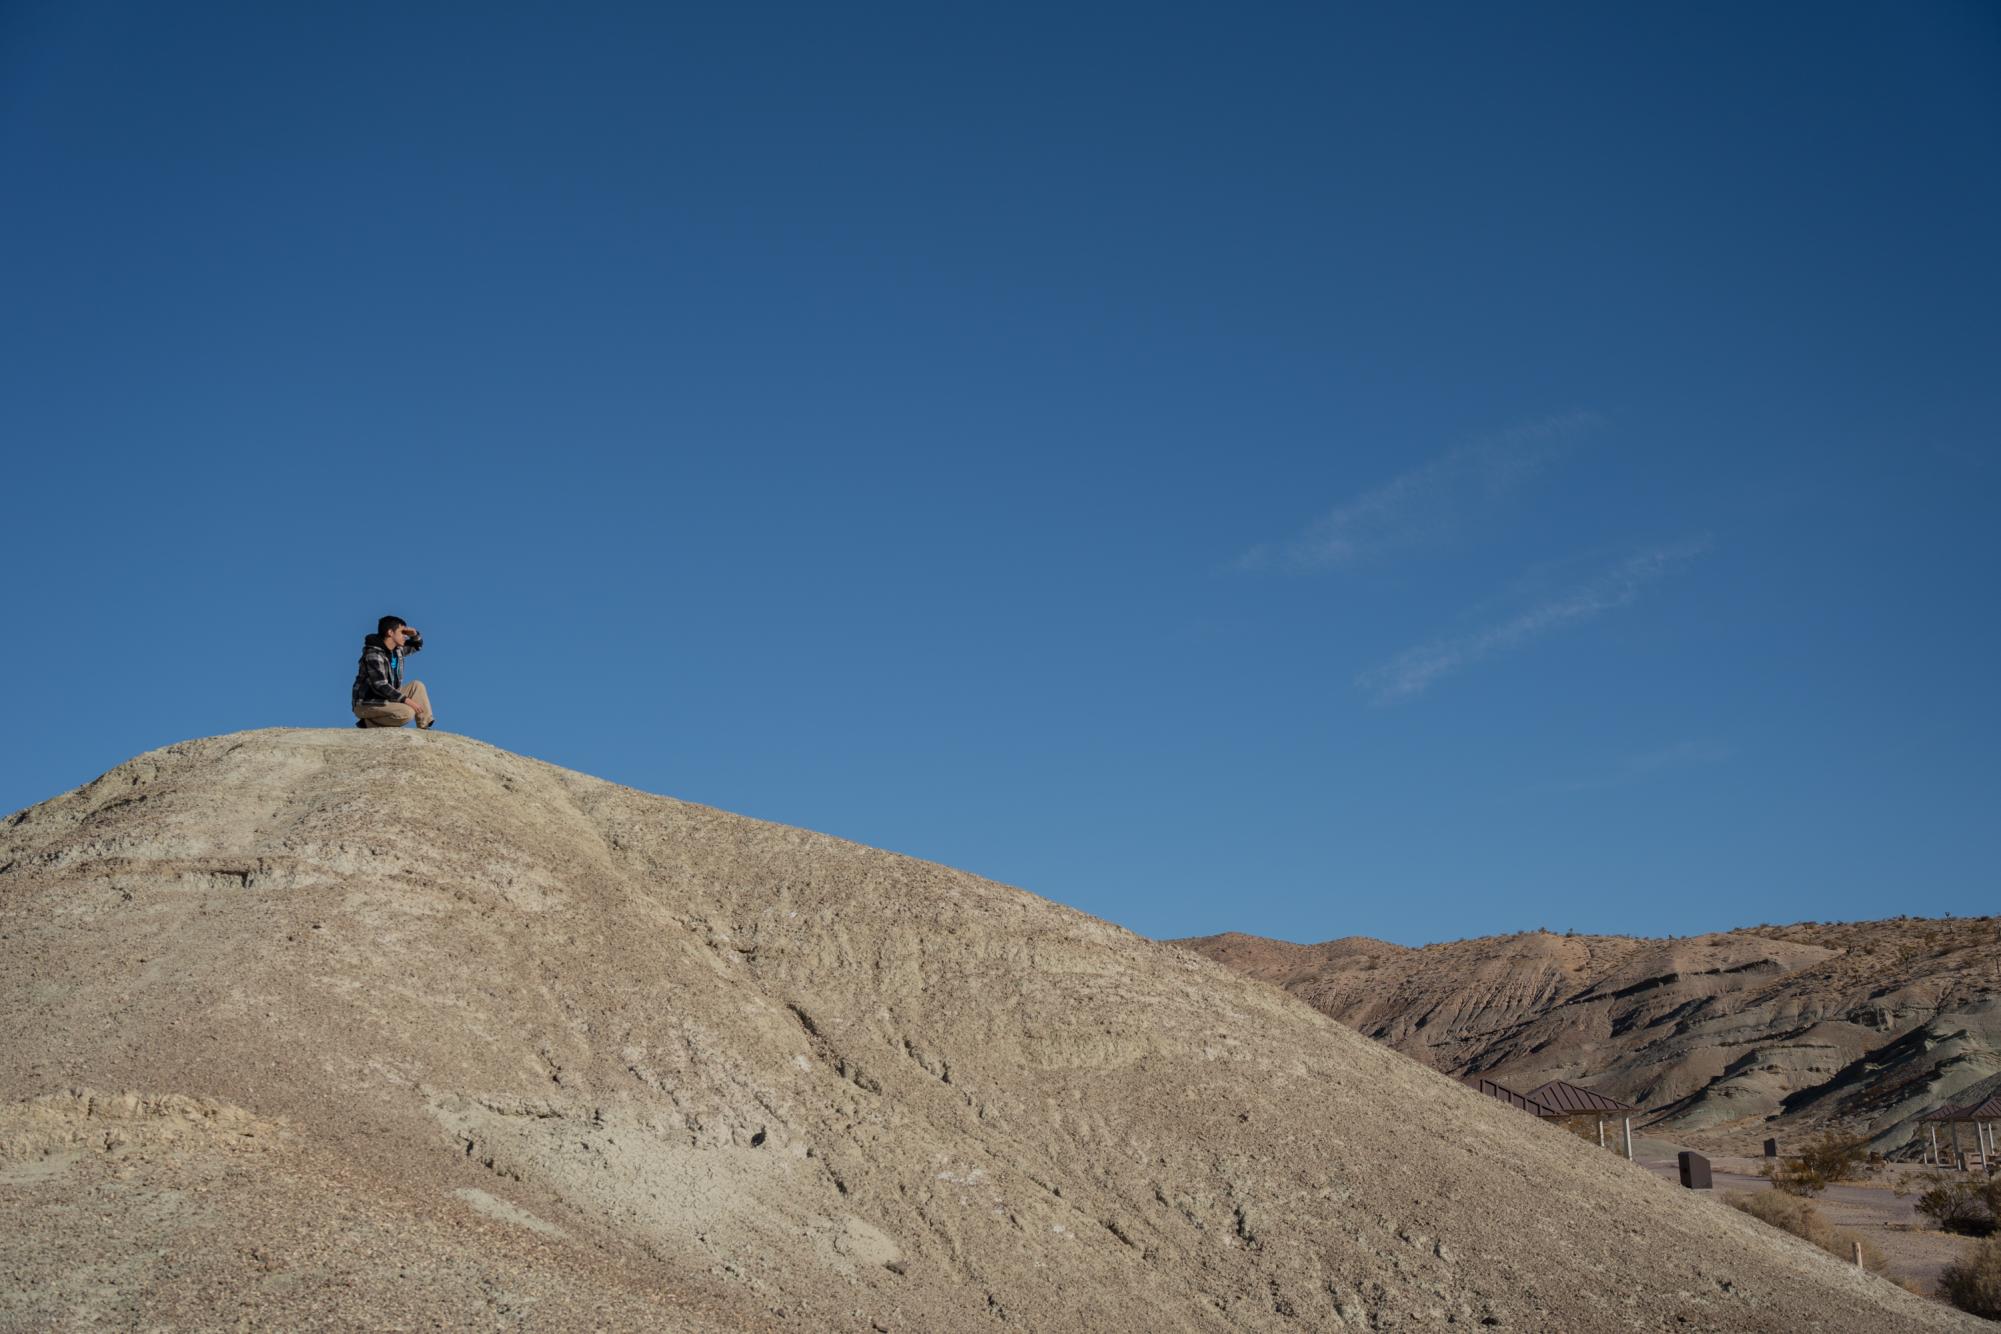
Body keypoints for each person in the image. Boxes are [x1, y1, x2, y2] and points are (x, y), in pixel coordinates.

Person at [352, 615, 436, 729]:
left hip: (386, 699)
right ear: (390, 632)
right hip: (367, 703)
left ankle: (424, 726)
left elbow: (417, 646)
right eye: (402, 632)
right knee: (407, 713)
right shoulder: (373, 654)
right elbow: (380, 685)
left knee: (417, 685)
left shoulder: (397, 650)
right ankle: (367, 723)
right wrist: (406, 700)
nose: (405, 636)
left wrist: (415, 634)